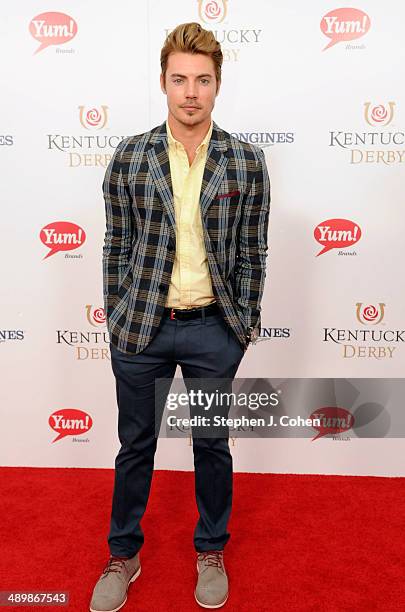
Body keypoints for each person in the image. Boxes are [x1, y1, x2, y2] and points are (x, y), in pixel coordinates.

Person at [90, 21, 270, 612]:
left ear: (218, 86)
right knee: (134, 444)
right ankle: (123, 555)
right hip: (141, 328)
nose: (190, 91)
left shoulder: (245, 161)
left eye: (202, 80)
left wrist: (238, 327)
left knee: (212, 444)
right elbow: (116, 243)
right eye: (179, 80)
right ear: (163, 84)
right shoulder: (131, 155)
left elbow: (252, 251)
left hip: (212, 330)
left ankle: (210, 549)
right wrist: (119, 314)